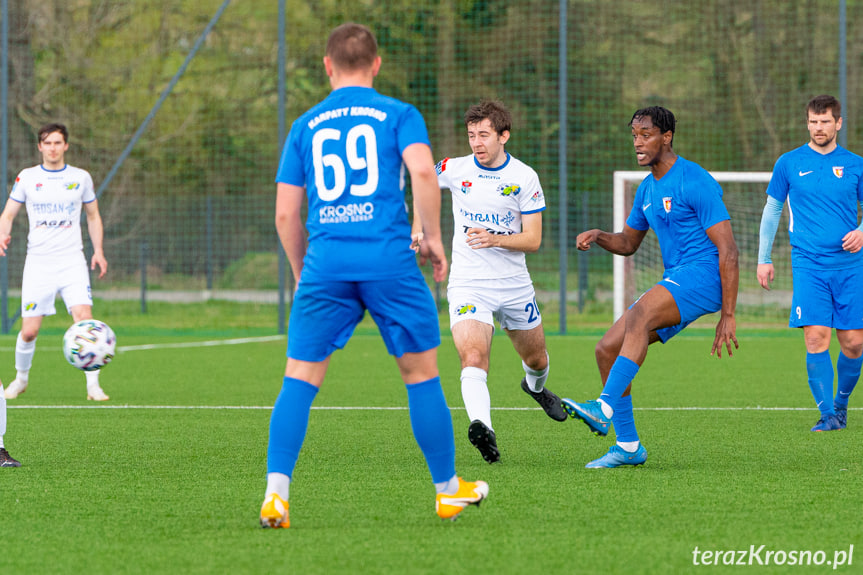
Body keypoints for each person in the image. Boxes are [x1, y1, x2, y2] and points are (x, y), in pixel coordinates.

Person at [259, 23, 488, 529]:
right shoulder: (398, 114)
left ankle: (277, 495)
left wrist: (304, 272)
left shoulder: (305, 125)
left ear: (327, 65)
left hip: (327, 265)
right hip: (389, 261)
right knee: (421, 374)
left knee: (300, 377)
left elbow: (284, 216)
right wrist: (431, 237)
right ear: (376, 64)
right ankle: (447, 490)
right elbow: (425, 173)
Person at [562, 106, 739, 468]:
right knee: (606, 350)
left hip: (704, 275)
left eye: (646, 135)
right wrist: (598, 236)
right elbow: (628, 244)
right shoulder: (646, 189)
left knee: (641, 313)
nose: (638, 143)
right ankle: (628, 446)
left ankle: (603, 407)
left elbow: (729, 250)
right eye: (634, 135)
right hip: (676, 279)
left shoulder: (694, 179)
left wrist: (729, 314)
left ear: (666, 137)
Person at [431, 99, 566, 465]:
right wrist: (418, 227)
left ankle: (535, 387)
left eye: (485, 135)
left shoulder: (524, 177)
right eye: (472, 134)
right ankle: (483, 428)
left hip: (513, 285)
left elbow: (533, 239)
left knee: (536, 359)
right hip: (468, 283)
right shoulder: (453, 169)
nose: (476, 142)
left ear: (504, 136)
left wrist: (494, 238)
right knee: (473, 355)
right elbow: (419, 181)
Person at [757, 95, 863, 432]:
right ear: (807, 123)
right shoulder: (788, 163)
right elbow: (773, 210)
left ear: (838, 124)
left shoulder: (855, 164)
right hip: (808, 263)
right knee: (817, 337)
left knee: (854, 342)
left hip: (850, 265)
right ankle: (828, 414)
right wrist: (764, 258)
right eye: (813, 122)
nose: (819, 128)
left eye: (825, 122)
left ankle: (841, 405)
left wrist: (862, 231)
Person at [0, 123, 109, 402]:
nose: (52, 148)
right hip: (39, 263)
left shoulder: (80, 178)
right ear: (40, 147)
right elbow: (8, 214)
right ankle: (21, 379)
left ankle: (92, 385)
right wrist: (3, 233)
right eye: (47, 143)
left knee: (84, 320)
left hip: (72, 261)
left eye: (57, 143)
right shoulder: (27, 178)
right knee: (29, 331)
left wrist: (98, 250)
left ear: (66, 146)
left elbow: (94, 216)